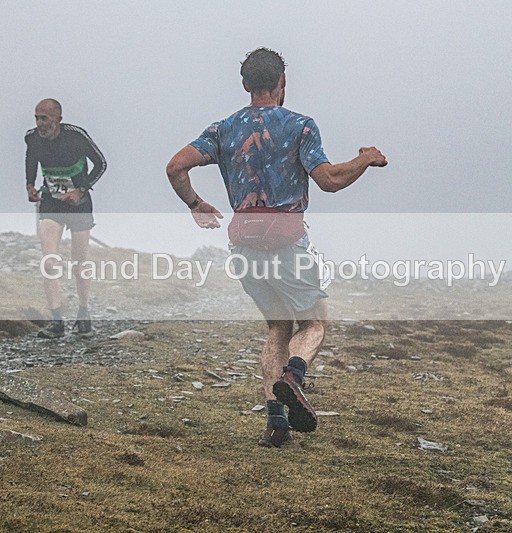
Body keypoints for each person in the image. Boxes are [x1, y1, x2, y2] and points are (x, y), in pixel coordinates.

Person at [166, 48, 387, 448]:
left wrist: (195, 204)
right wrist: (365, 159)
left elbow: (175, 167)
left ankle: (275, 424)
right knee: (314, 323)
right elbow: (330, 180)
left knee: (277, 327)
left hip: (243, 244)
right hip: (286, 242)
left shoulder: (223, 130)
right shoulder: (300, 126)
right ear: (282, 81)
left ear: (245, 84)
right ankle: (294, 377)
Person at [25, 98, 106, 338]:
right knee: (49, 261)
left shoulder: (76, 136)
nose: (40, 124)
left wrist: (80, 190)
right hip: (51, 201)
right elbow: (31, 159)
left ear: (58, 119)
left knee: (79, 263)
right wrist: (29, 184)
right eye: (37, 118)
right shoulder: (32, 137)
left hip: (78, 204)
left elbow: (101, 164)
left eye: (45, 118)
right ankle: (57, 320)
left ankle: (83, 312)